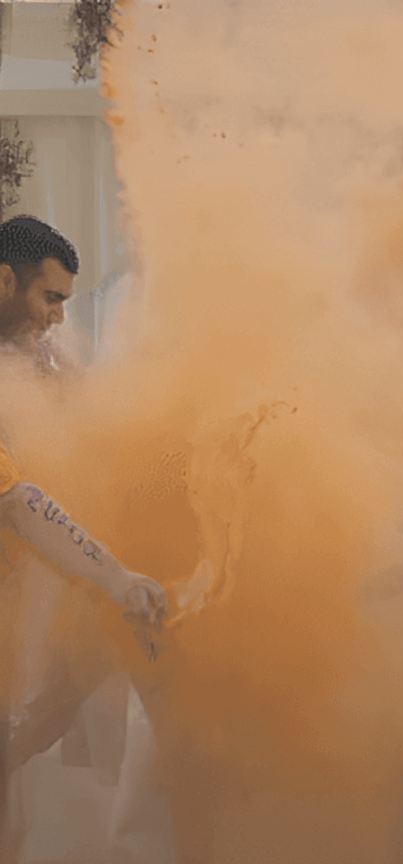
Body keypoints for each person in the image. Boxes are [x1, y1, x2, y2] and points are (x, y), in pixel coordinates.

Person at [0, 215, 168, 841]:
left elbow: (102, 435)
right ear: (3, 281)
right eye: (50, 299)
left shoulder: (38, 360)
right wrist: (114, 574)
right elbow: (18, 499)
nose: (58, 319)